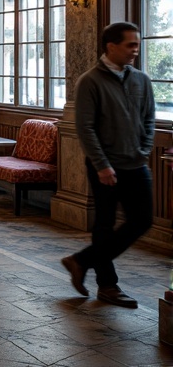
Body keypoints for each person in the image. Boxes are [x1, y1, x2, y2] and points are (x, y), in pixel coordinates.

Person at [61, 22, 155, 309]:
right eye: (131, 45)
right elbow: (85, 127)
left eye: (137, 45)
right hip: (104, 166)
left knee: (142, 220)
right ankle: (108, 285)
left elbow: (149, 119)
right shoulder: (90, 81)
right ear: (111, 46)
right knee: (104, 223)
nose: (135, 51)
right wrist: (102, 165)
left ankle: (81, 260)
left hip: (136, 162)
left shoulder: (141, 79)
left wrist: (143, 149)